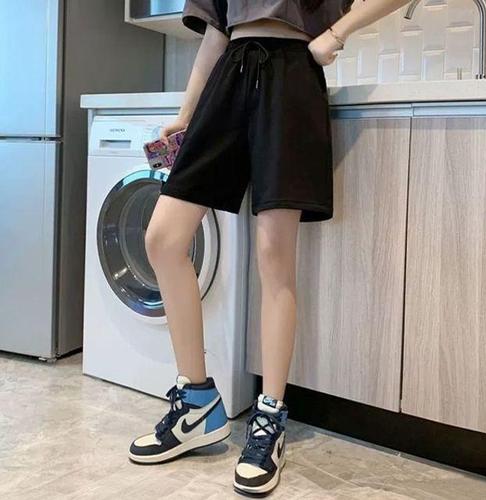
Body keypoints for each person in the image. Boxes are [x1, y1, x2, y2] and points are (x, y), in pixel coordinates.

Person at [129, 0, 413, 496]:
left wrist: (337, 33)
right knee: (163, 238)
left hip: (291, 79)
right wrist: (186, 114)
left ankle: (269, 418)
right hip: (227, 78)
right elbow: (216, 32)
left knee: (274, 257)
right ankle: (197, 403)